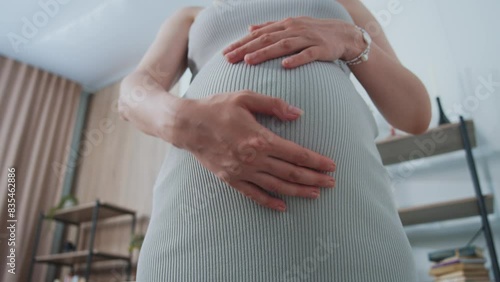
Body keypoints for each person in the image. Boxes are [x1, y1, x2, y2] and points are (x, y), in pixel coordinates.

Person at [119, 0, 431, 281]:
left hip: (349, 228)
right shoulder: (192, 16)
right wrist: (181, 120)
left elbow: (415, 114)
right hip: (196, 230)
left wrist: (351, 39)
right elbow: (132, 94)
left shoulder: (344, 4)